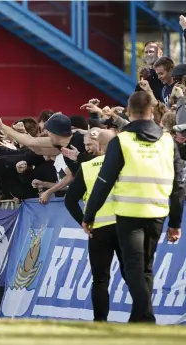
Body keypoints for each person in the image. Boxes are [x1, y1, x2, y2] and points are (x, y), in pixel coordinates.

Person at [83, 91, 185, 323]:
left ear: (129, 112)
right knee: (145, 268)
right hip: (157, 214)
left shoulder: (122, 141)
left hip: (129, 215)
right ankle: (138, 319)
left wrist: (89, 215)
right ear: (151, 111)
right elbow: (179, 184)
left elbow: (104, 181)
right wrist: (176, 223)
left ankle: (146, 316)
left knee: (134, 268)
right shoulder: (168, 141)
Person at [64, 129, 125, 322]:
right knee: (134, 275)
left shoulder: (88, 166)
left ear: (100, 144)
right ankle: (142, 318)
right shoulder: (126, 163)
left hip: (98, 229)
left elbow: (70, 200)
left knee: (100, 279)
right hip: (126, 226)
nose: (88, 149)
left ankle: (100, 322)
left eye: (90, 144)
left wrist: (83, 222)